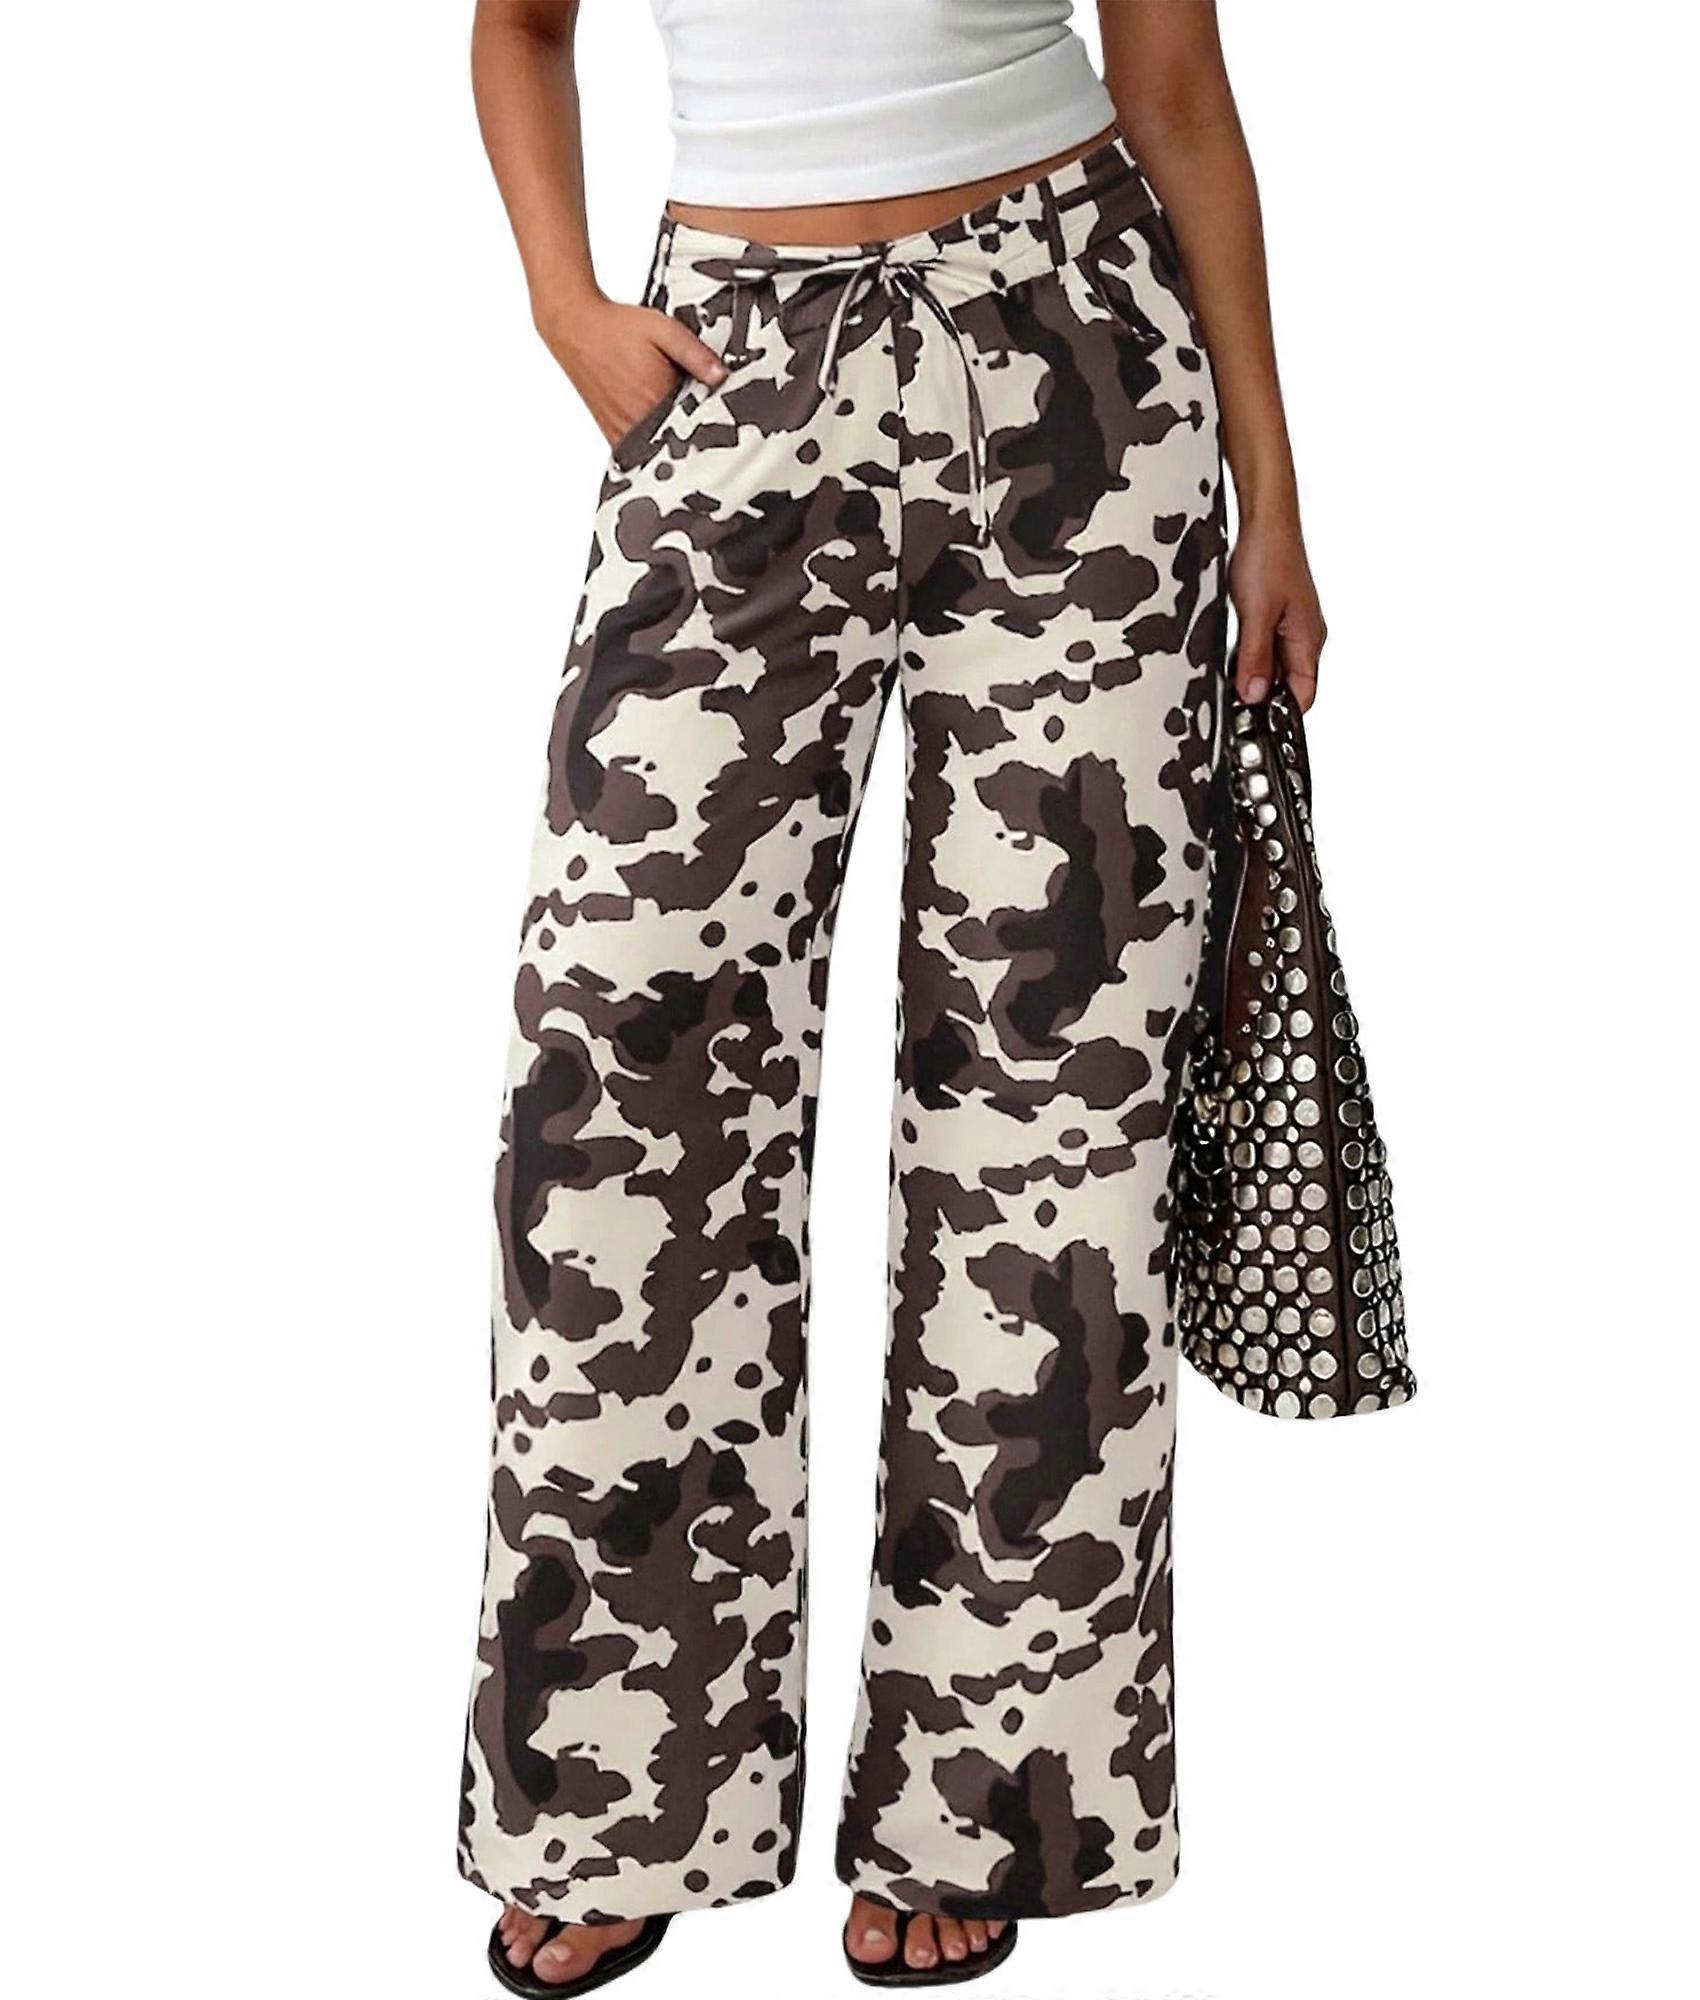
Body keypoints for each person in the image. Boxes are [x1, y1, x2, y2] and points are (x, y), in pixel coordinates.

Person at [459, 2, 1326, 1991]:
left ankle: (985, 1799)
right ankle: (618, 1783)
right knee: (614, 1065)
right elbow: (518, 26)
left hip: (1082, 356)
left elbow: (1176, 87)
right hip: (735, 360)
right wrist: (563, 302)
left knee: (1056, 1133)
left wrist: (1274, 496)